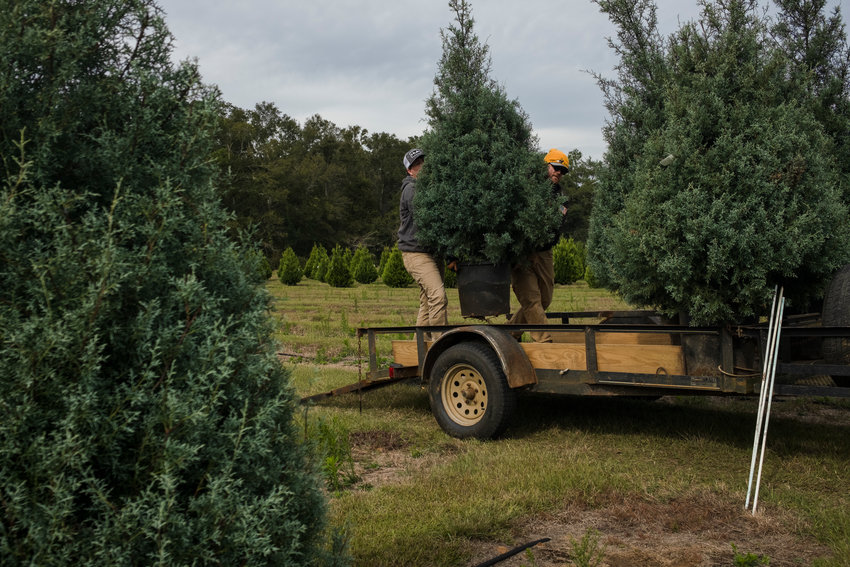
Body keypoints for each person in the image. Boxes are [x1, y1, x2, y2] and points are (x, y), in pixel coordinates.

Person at [507, 148, 569, 342]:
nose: (559, 172)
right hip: (522, 253)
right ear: (546, 166)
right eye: (556, 167)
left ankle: (509, 333)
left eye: (563, 170)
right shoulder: (527, 188)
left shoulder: (562, 198)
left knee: (545, 300)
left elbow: (557, 226)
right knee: (531, 299)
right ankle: (544, 341)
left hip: (544, 253)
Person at [397, 148, 449, 338]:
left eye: (423, 162)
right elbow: (425, 218)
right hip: (416, 253)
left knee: (428, 302)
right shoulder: (411, 189)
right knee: (438, 297)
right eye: (417, 164)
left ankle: (418, 351)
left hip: (431, 253)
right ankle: (439, 345)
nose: (422, 166)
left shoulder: (427, 188)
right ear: (410, 170)